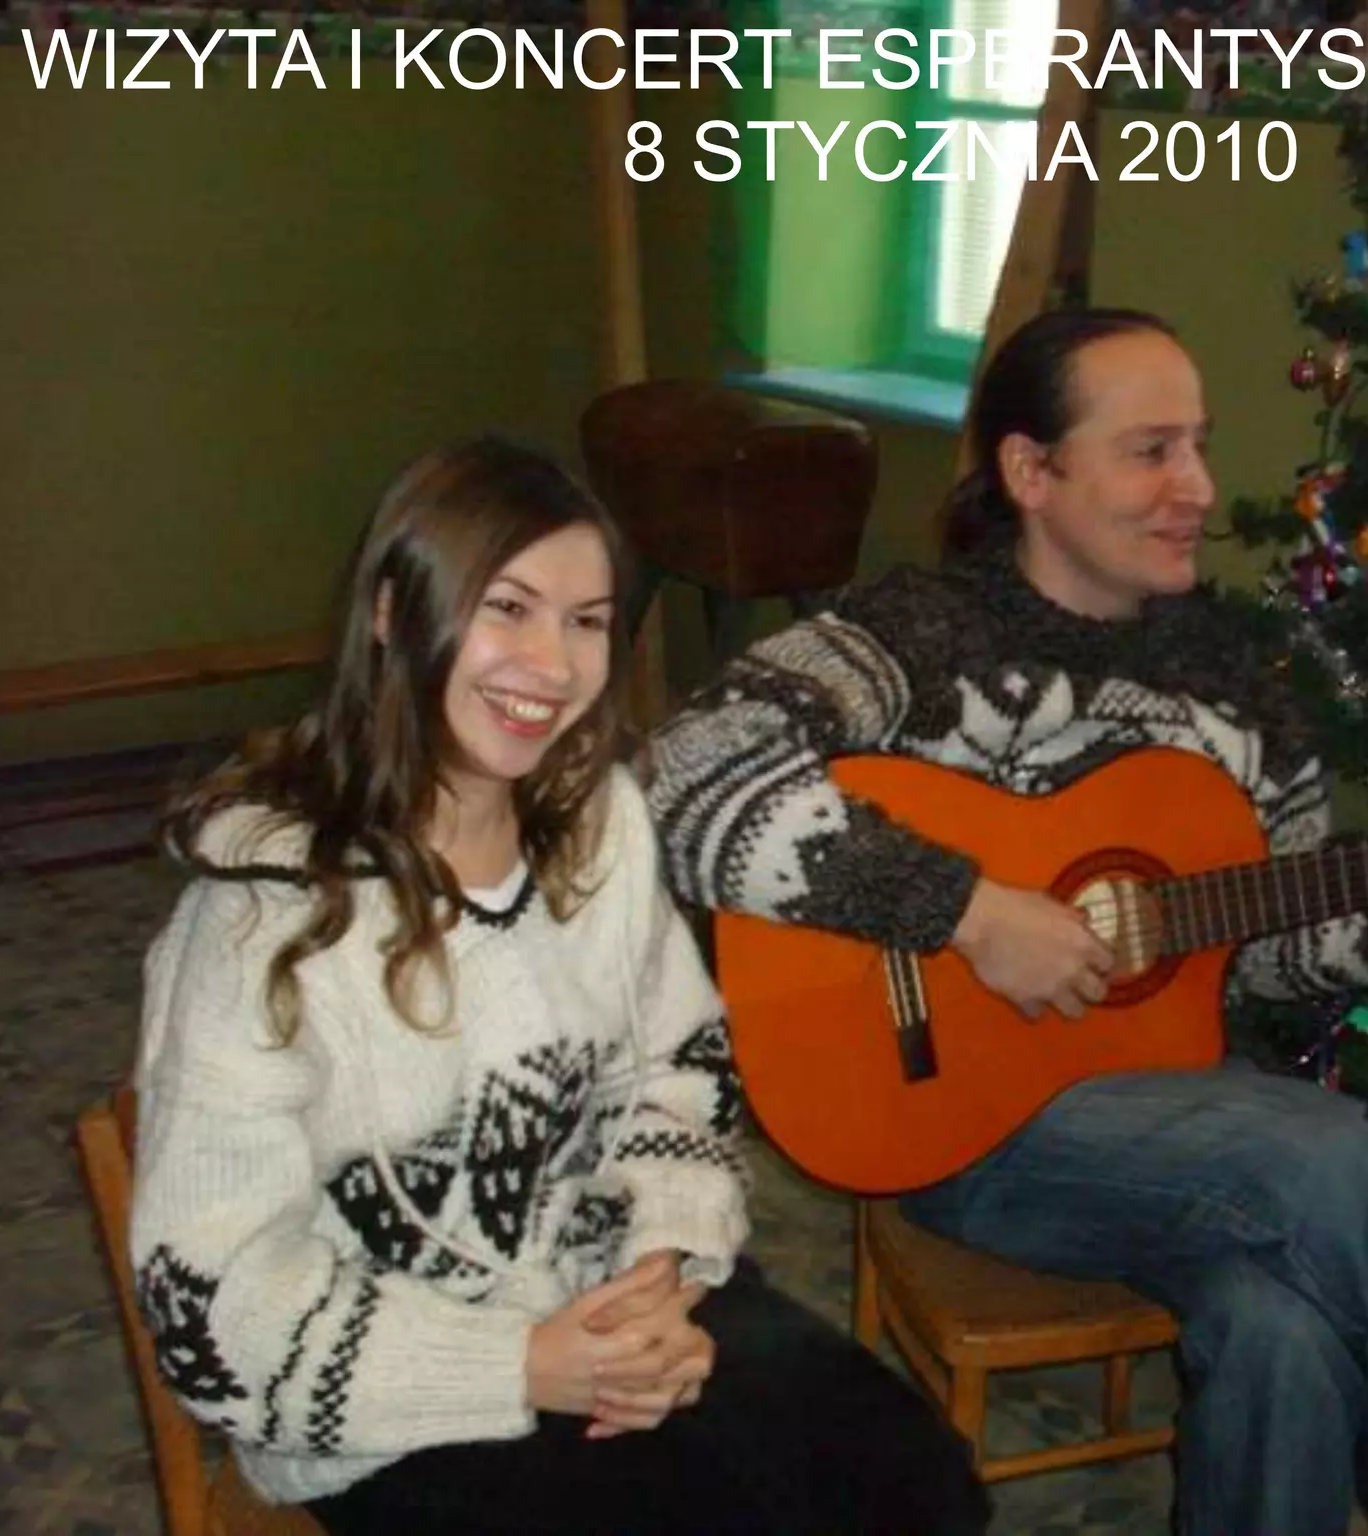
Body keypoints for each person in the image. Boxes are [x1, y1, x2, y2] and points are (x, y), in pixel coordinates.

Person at [646, 309, 1368, 1536]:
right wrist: (968, 913)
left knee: (1279, 1327)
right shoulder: (917, 636)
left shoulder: (1240, 686)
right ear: (1030, 471)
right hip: (957, 1123)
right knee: (1324, 1156)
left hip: (1177, 1118)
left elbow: (1268, 957)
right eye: (1150, 451)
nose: (1197, 488)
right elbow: (681, 772)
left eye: (1197, 446)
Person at [127, 439, 989, 1536]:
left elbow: (676, 1071)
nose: (551, 663)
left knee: (915, 1482)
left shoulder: (600, 826)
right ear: (391, 612)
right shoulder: (260, 926)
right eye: (508, 607)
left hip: (608, 1292)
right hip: (396, 1400)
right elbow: (216, 1307)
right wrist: (526, 1364)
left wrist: (662, 1263)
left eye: (587, 620)